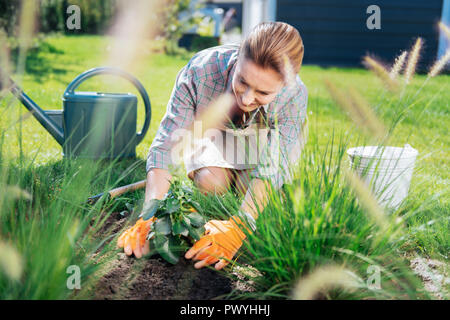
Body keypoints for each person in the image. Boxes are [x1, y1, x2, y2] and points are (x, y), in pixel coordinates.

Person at [117, 21, 308, 270]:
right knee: (210, 183)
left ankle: (246, 185)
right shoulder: (201, 72)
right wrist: (150, 212)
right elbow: (167, 147)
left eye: (262, 92)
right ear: (237, 56)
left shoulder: (294, 95)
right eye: (242, 81)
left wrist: (240, 225)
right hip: (215, 130)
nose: (247, 98)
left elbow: (275, 165)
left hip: (261, 139)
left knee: (251, 189)